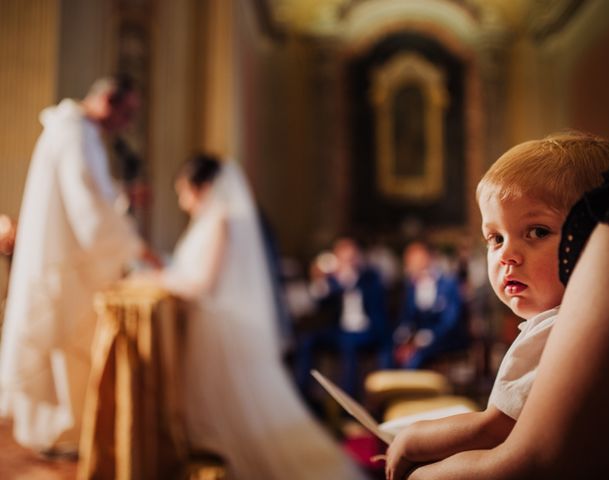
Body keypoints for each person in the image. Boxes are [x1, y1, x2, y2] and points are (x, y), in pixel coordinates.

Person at [385, 131, 609, 480]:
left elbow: (495, 429)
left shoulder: (556, 329)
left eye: (537, 231)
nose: (506, 255)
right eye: (495, 238)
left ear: (596, 241)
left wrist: (412, 444)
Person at [135, 154, 367, 480]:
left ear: (202, 187)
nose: (182, 200)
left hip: (215, 331)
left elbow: (203, 283)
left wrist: (156, 279)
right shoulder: (215, 220)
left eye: (184, 191)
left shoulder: (221, 220)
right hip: (214, 325)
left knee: (230, 419)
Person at [0, 75, 150, 454]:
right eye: (127, 112)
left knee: (65, 344)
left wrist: (120, 196)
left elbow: (90, 195)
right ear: (107, 102)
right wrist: (135, 247)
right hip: (64, 263)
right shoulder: (74, 133)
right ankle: (57, 431)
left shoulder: (74, 132)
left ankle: (60, 429)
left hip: (66, 257)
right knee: (63, 340)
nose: (127, 124)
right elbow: (89, 210)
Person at [296, 237, 393, 399]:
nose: (347, 261)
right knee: (307, 340)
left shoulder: (370, 277)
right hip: (340, 330)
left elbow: (378, 300)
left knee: (348, 344)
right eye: (343, 257)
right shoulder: (333, 280)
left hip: (367, 331)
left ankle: (348, 398)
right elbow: (319, 302)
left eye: (351, 257)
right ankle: (303, 393)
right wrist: (319, 279)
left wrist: (351, 279)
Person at [392, 241, 465, 369]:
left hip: (445, 338)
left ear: (428, 258)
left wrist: (425, 338)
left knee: (414, 359)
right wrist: (404, 339)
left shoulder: (448, 283)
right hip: (417, 338)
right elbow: (407, 317)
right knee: (392, 354)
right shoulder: (411, 286)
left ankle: (412, 388)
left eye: (416, 259)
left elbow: (451, 321)